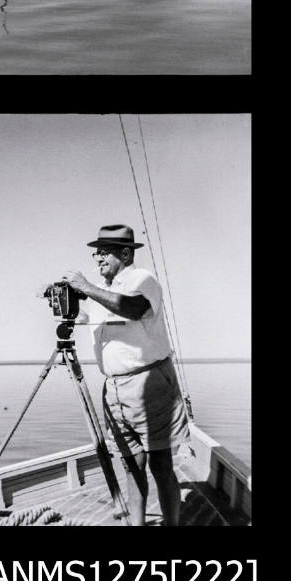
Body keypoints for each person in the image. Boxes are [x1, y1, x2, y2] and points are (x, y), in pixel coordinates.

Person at [62, 223, 190, 526]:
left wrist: (87, 288)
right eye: (97, 253)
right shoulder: (102, 294)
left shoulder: (141, 280)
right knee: (132, 466)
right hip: (114, 390)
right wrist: (61, 299)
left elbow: (133, 309)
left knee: (161, 465)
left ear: (125, 253)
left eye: (105, 251)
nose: (98, 258)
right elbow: (82, 314)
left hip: (150, 384)